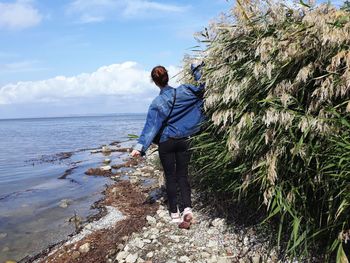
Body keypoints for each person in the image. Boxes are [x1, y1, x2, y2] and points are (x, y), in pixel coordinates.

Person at [131, 64, 205, 229]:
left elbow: (150, 126)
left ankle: (174, 213)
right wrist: (196, 70)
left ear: (154, 82)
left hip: (167, 142)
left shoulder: (157, 102)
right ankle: (187, 208)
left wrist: (139, 147)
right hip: (185, 139)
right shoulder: (186, 90)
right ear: (168, 76)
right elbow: (204, 88)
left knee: (170, 177)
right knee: (183, 175)